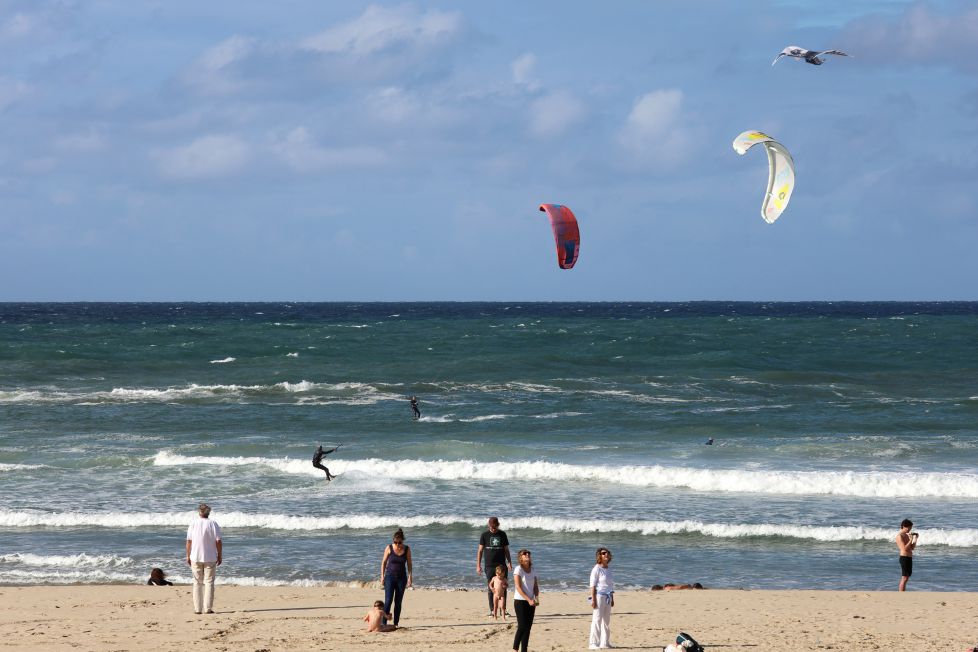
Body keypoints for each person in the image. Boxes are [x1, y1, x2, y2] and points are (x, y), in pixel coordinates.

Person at [186, 502, 222, 614]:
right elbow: (218, 541)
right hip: (210, 556)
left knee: (197, 582)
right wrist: (220, 555)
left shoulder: (193, 523)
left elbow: (189, 541)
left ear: (199, 512)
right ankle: (208, 608)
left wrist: (188, 555)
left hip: (195, 556)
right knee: (209, 582)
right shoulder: (213, 523)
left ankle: (197, 609)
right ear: (208, 512)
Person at [476, 516, 512, 616]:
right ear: (489, 525)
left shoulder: (502, 534)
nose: (493, 528)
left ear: (498, 525)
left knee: (503, 586)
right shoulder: (484, 535)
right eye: (491, 527)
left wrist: (509, 562)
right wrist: (478, 565)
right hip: (489, 565)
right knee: (491, 587)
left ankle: (503, 610)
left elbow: (506, 550)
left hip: (501, 565)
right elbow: (480, 551)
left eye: (495, 527)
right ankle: (492, 610)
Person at [380, 527, 413, 628]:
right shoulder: (389, 548)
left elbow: (409, 564)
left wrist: (410, 577)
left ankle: (396, 623)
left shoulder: (407, 549)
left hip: (401, 578)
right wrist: (382, 576)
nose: (397, 544)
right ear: (393, 540)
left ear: (402, 541)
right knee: (388, 600)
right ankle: (384, 623)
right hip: (389, 577)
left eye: (399, 542)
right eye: (395, 542)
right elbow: (384, 562)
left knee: (398, 602)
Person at [512, 549, 539, 652]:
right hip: (520, 601)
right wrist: (528, 599)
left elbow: (535, 586)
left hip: (531, 601)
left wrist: (536, 598)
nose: (527, 555)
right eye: (524, 554)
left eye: (528, 553)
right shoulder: (518, 569)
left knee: (528, 627)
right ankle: (515, 648)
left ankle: (524, 650)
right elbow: (518, 587)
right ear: (520, 557)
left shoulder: (533, 569)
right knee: (522, 626)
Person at [589, 547, 615, 650]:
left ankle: (605, 642)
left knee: (606, 621)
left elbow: (610, 586)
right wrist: (593, 599)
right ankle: (593, 643)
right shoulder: (596, 568)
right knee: (597, 620)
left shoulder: (608, 569)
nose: (606, 555)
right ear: (599, 556)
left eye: (607, 553)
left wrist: (612, 598)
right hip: (599, 596)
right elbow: (592, 585)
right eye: (603, 553)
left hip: (608, 596)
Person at [896, 518, 917, 591]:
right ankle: (901, 594)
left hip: (909, 557)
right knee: (904, 577)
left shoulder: (907, 535)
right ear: (904, 526)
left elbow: (912, 547)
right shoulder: (900, 536)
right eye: (909, 528)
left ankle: (903, 592)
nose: (910, 530)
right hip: (904, 557)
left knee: (907, 577)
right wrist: (910, 540)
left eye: (911, 528)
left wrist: (915, 539)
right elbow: (904, 549)